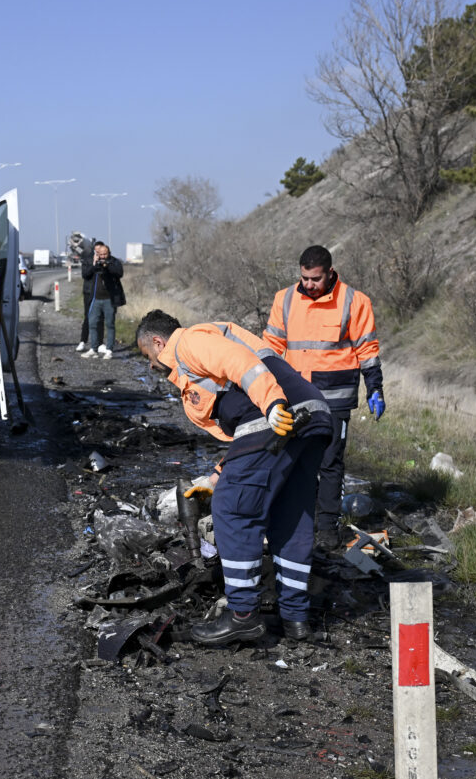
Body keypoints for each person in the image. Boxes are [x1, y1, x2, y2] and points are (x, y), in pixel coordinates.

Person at [135, 310, 332, 645]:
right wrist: (215, 476)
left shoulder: (187, 343)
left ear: (158, 341)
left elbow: (239, 363)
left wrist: (272, 405)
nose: (151, 365)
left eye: (148, 356)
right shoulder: (202, 354)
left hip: (276, 415)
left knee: (232, 508)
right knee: (290, 518)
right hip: (312, 414)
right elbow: (248, 446)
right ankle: (296, 619)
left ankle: (243, 615)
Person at [262, 245, 384, 550]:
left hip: (336, 398)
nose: (309, 284)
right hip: (295, 397)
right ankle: (289, 520)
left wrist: (375, 388)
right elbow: (271, 347)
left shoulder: (355, 302)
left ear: (330, 273)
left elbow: (367, 349)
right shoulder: (285, 299)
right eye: (304, 278)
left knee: (330, 463)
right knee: (289, 459)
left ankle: (327, 527)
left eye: (315, 279)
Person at [80, 241, 125, 359]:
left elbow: (119, 273)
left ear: (109, 253)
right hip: (96, 298)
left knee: (109, 324)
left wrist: (107, 266)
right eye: (100, 255)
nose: (103, 257)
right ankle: (93, 348)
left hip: (109, 299)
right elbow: (86, 275)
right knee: (92, 323)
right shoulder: (95, 262)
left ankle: (109, 350)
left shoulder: (114, 261)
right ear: (97, 254)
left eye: (105, 254)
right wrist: (95, 264)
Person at [73, 235, 98, 352]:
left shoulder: (104, 260)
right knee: (87, 317)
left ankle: (99, 343)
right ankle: (83, 341)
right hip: (88, 291)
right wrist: (93, 265)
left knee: (99, 318)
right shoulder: (87, 259)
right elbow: (85, 274)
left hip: (100, 293)